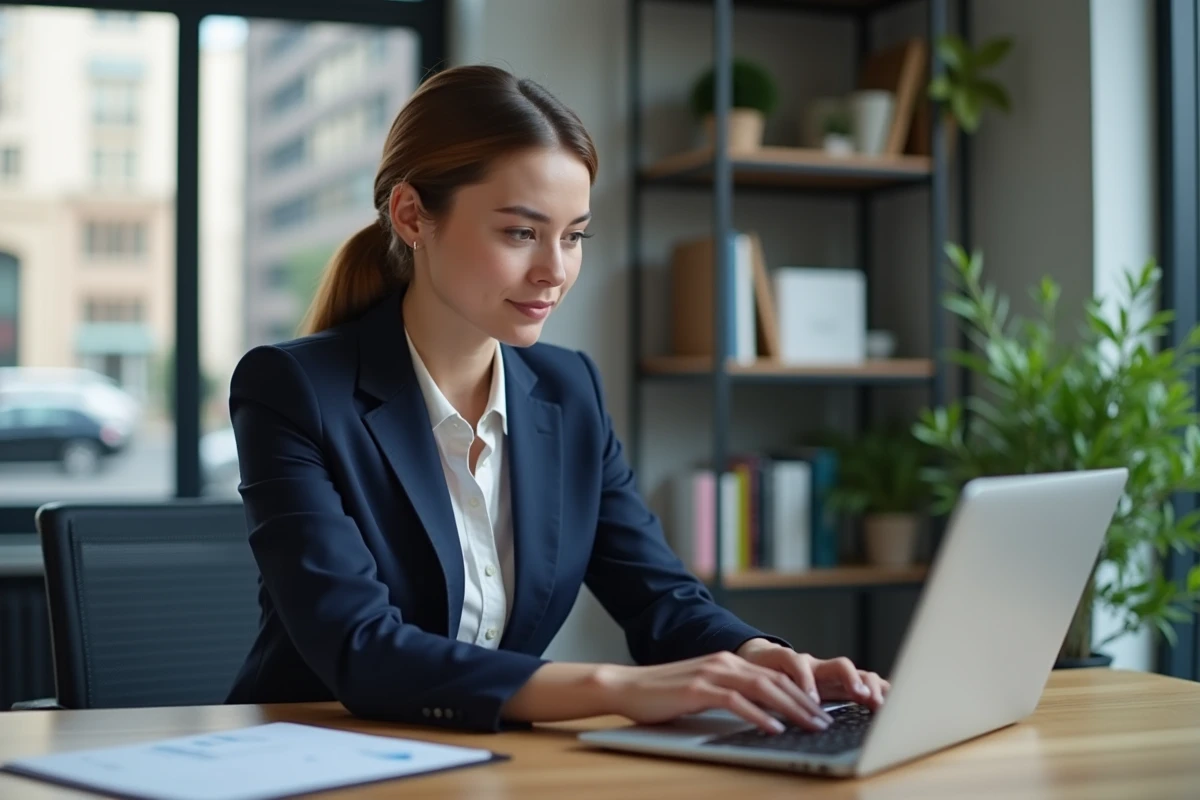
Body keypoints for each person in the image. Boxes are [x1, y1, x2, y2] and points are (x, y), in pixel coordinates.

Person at [225, 64, 888, 736]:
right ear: (412, 216)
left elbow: (660, 597)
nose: (555, 270)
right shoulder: (293, 390)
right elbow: (361, 649)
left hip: (490, 766)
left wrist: (764, 658)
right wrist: (618, 688)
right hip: (312, 754)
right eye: (520, 233)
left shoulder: (569, 392)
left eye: (573, 236)